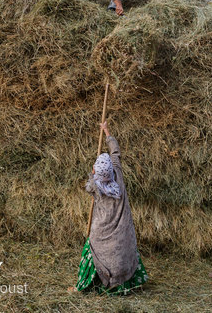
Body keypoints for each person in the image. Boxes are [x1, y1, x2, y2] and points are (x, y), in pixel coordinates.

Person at [70, 121, 148, 295]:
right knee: (124, 250)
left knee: (93, 248)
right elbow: (115, 151)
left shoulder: (94, 186)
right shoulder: (117, 174)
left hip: (102, 229)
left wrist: (93, 176)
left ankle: (84, 285)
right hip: (122, 230)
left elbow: (90, 184)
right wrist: (106, 131)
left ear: (95, 171)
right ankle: (126, 285)